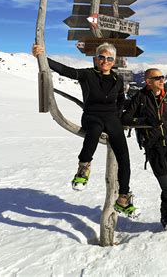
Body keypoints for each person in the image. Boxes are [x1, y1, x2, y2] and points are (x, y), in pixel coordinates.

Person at [32, 42, 137, 216]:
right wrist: (41, 56)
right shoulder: (87, 74)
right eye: (101, 57)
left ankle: (123, 198)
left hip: (112, 119)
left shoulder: (117, 79)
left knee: (124, 158)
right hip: (92, 115)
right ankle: (83, 169)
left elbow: (120, 99)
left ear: (114, 60)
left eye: (109, 58)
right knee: (94, 131)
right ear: (96, 58)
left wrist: (117, 115)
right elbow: (64, 70)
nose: (105, 61)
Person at [122, 68, 167, 237]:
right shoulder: (140, 98)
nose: (162, 80)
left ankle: (164, 215)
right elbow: (125, 119)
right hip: (154, 149)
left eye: (163, 77)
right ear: (148, 81)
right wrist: (145, 121)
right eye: (158, 78)